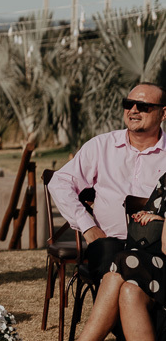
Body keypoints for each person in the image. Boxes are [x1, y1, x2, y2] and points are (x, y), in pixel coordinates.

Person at [41, 174, 166, 341]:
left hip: (159, 263)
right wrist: (148, 219)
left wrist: (161, 220)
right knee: (127, 288)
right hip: (157, 267)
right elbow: (142, 227)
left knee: (121, 262)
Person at [49, 83, 166, 281]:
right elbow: (59, 182)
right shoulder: (101, 146)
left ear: (163, 113)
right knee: (112, 259)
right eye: (128, 104)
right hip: (109, 242)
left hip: (158, 245)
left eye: (143, 106)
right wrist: (87, 226)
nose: (133, 110)